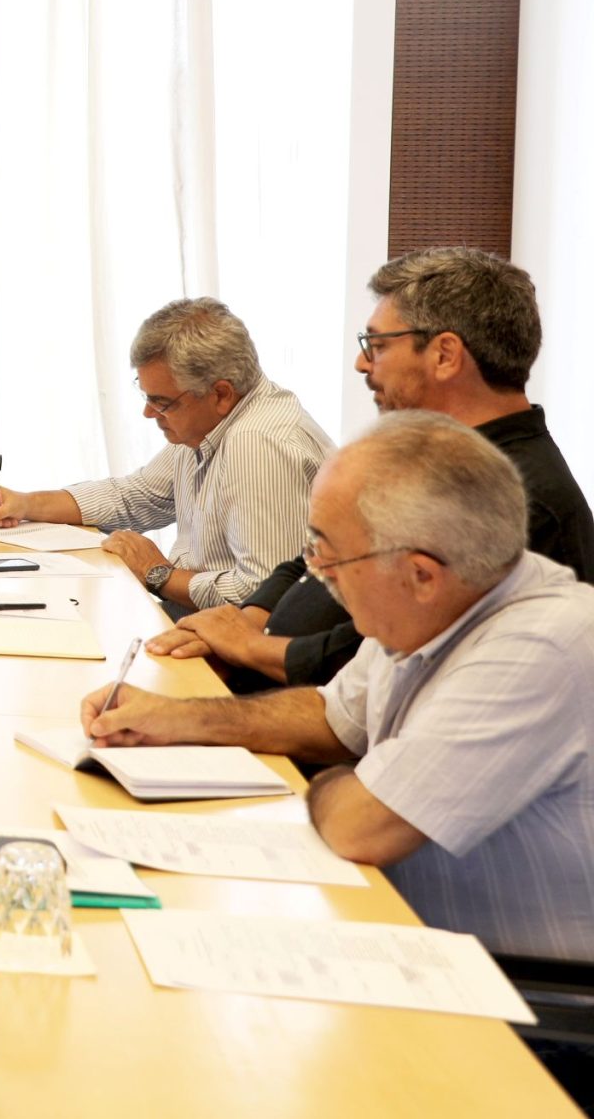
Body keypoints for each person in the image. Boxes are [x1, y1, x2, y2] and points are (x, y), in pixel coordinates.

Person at [82, 412, 594, 968]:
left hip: (518, 984)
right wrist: (181, 718)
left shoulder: (539, 645)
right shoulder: (437, 600)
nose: (318, 572)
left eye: (330, 554)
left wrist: (334, 779)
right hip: (400, 924)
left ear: (421, 574)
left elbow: (362, 827)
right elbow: (335, 717)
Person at [153, 248, 594, 688]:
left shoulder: (523, 501)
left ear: (445, 355)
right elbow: (312, 557)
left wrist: (251, 649)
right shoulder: (429, 453)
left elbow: (382, 660)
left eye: (378, 346)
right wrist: (246, 622)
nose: (362, 363)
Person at [0, 298, 330, 611]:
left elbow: (262, 595)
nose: (148, 413)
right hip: (201, 619)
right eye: (146, 396)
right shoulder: (211, 423)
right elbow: (136, 496)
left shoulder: (257, 443)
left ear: (221, 394)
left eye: (162, 402)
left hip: (239, 646)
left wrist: (157, 573)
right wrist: (25, 504)